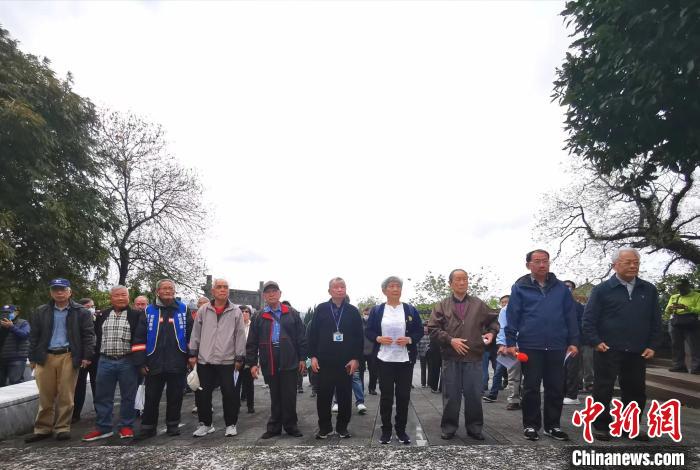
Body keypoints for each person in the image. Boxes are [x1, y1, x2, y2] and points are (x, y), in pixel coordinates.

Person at [583, 248, 662, 441]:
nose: (633, 266)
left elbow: (656, 321)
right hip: (608, 348)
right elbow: (588, 319)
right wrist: (596, 341)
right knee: (603, 389)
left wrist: (652, 345)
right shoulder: (602, 289)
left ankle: (630, 426)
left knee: (636, 390)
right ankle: (601, 426)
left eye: (636, 262)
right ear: (615, 265)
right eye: (628, 262)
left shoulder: (648, 289)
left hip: (638, 350)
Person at [505, 250, 579, 442]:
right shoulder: (520, 287)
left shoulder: (561, 288)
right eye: (537, 261)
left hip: (557, 346)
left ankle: (553, 425)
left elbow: (570, 316)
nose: (542, 265)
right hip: (531, 344)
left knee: (555, 387)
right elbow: (513, 316)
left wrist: (573, 341)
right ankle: (531, 425)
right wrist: (511, 342)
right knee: (531, 387)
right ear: (528, 264)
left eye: (545, 261)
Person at [428, 269, 499, 441]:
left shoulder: (478, 304)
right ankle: (449, 427)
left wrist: (492, 333)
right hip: (451, 357)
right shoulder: (441, 305)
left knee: (474, 394)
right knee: (451, 395)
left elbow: (493, 321)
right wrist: (450, 340)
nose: (462, 282)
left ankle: (474, 428)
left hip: (474, 356)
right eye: (458, 279)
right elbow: (432, 329)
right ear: (450, 283)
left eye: (465, 279)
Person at [25, 278, 96, 442]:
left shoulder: (81, 312)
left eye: (62, 289)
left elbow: (88, 335)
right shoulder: (41, 311)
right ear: (51, 292)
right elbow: (34, 336)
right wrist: (32, 358)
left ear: (70, 292)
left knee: (66, 394)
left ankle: (62, 427)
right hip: (45, 356)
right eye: (55, 289)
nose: (59, 292)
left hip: (69, 356)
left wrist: (87, 356)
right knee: (45, 394)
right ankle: (43, 428)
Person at [82, 286, 147, 441]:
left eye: (123, 295)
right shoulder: (102, 315)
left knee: (128, 396)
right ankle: (103, 427)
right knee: (102, 396)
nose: (120, 298)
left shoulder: (137, 315)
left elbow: (141, 338)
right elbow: (94, 337)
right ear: (111, 297)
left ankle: (126, 426)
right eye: (116, 295)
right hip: (105, 360)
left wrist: (141, 362)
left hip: (128, 361)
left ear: (128, 297)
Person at [365, 276, 423, 444]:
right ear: (384, 291)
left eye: (398, 286)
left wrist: (410, 339)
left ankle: (401, 430)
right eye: (391, 286)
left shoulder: (410, 310)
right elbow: (368, 331)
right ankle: (386, 430)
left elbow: (419, 330)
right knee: (386, 397)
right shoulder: (377, 311)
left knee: (404, 396)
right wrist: (378, 338)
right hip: (384, 359)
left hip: (405, 359)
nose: (395, 289)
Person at [246, 281, 307, 439]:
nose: (271, 294)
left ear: (280, 293)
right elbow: (252, 342)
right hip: (269, 357)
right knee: (275, 394)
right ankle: (274, 427)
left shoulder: (292, 313)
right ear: (264, 295)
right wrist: (252, 363)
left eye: (274, 291)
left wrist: (302, 359)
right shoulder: (259, 316)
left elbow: (301, 338)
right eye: (268, 292)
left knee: (289, 394)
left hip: (289, 357)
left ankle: (291, 425)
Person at [189, 278, 246, 438]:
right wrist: (192, 353)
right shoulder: (203, 310)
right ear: (213, 291)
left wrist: (239, 357)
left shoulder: (236, 311)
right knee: (202, 394)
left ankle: (231, 424)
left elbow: (240, 336)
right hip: (204, 359)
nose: (222, 289)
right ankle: (206, 424)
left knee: (230, 394)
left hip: (227, 360)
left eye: (225, 287)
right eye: (219, 287)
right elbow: (196, 333)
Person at [307, 277, 363, 439]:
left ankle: (342, 427)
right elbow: (313, 334)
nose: (340, 290)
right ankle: (324, 427)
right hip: (324, 361)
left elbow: (359, 337)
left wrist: (356, 359)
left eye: (342, 287)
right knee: (323, 396)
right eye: (336, 287)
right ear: (329, 291)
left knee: (345, 395)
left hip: (346, 362)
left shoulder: (352, 311)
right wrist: (313, 356)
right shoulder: (322, 309)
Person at [137, 279, 192, 439]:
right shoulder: (148, 311)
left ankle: (173, 425)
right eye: (164, 288)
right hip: (153, 362)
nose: (168, 291)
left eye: (171, 288)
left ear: (175, 292)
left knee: (175, 396)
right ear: (157, 292)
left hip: (177, 361)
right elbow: (139, 338)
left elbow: (191, 335)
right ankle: (148, 427)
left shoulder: (184, 309)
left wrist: (190, 357)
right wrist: (141, 362)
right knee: (151, 397)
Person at [72, 297, 99, 423]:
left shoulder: (97, 318)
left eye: (92, 306)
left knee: (97, 385)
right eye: (88, 307)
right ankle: (75, 414)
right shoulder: (76, 319)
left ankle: (100, 412)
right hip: (81, 357)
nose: (91, 309)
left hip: (96, 356)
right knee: (79, 386)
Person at [665, 278, 699, 374]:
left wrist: (685, 307)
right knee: (676, 345)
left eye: (682, 288)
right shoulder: (674, 297)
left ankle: (696, 368)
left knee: (695, 345)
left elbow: (698, 309)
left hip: (690, 322)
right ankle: (679, 366)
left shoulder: (697, 296)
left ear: (688, 286)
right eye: (679, 288)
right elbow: (667, 311)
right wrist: (671, 308)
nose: (681, 290)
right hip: (676, 322)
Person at [562, 280, 586, 405]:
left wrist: (576, 341)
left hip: (574, 342)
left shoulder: (578, 307)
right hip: (559, 342)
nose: (567, 288)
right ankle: (562, 393)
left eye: (569, 287)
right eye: (564, 286)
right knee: (561, 369)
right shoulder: (557, 304)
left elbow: (582, 325)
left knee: (572, 369)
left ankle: (572, 395)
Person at [0, 304, 30, 386]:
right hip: (2, 358)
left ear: (16, 313)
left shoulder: (23, 323)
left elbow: (25, 335)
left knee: (15, 383)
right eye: (3, 312)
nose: (5, 314)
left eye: (8, 312)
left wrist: (11, 327)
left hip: (17, 358)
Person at [239, 305, 255, 413]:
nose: (244, 313)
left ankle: (250, 406)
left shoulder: (253, 327)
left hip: (249, 358)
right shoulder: (234, 326)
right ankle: (236, 405)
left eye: (247, 311)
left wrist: (255, 361)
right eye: (242, 311)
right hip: (236, 358)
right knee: (236, 383)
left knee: (249, 384)